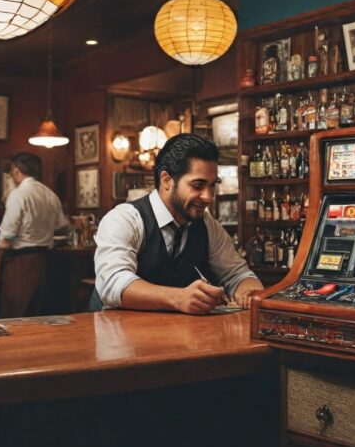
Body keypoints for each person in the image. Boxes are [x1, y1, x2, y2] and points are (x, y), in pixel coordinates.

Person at [91, 134, 263, 314]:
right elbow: (112, 283)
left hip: (175, 335)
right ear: (166, 180)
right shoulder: (124, 219)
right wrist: (179, 298)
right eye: (198, 185)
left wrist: (249, 291)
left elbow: (237, 274)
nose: (208, 197)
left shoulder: (206, 223)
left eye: (212, 186)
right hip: (116, 334)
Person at [0, 152, 70, 317]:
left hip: (20, 265)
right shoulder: (51, 195)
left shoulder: (18, 195)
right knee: (39, 317)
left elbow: (6, 238)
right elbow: (63, 227)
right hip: (45, 262)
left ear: (16, 171)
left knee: (16, 317)